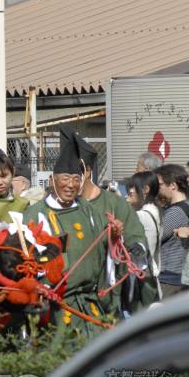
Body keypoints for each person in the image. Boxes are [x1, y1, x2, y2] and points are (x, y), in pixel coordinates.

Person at [22, 134, 106, 331]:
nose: (71, 184)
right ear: (52, 179)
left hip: (90, 302)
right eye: (66, 178)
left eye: (76, 179)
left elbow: (106, 249)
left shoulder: (89, 210)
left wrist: (115, 234)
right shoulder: (36, 214)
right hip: (55, 305)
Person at [66, 128, 153, 314]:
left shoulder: (114, 204)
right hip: (67, 297)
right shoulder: (60, 206)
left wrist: (129, 246)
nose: (66, 182)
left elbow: (136, 240)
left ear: (86, 172)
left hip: (107, 297)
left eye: (70, 174)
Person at [156, 164, 189, 298]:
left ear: (172, 185)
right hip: (178, 276)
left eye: (159, 185)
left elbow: (156, 236)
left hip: (170, 278)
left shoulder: (175, 212)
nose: (157, 189)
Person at [126, 171, 161, 297]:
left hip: (142, 273)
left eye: (130, 192)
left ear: (145, 189)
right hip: (152, 272)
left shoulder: (142, 215)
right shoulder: (156, 209)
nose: (128, 195)